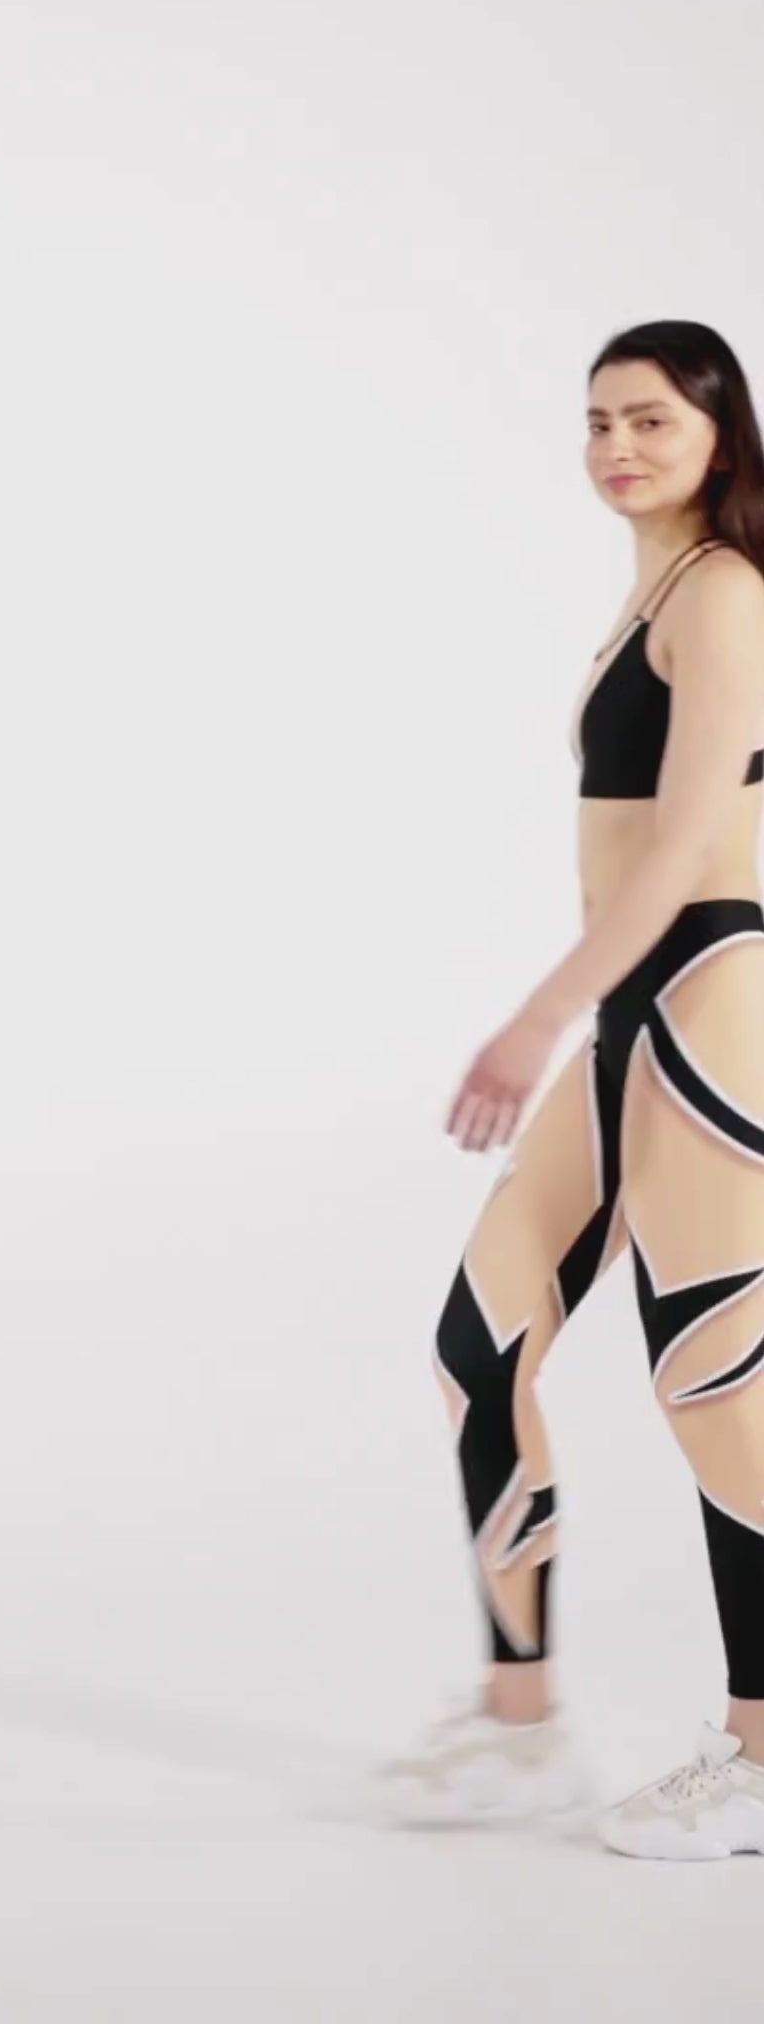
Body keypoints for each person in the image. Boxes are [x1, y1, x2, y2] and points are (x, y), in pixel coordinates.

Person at [377, 320, 764, 1859]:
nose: (617, 446)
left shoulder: (725, 592)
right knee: (480, 1347)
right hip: (632, 1023)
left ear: (721, 432)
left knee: (715, 1388)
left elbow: (681, 853)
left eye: (651, 419)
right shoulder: (655, 589)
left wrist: (536, 1020)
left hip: (712, 1010)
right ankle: (522, 1726)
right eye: (599, 420)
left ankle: (762, 1755)